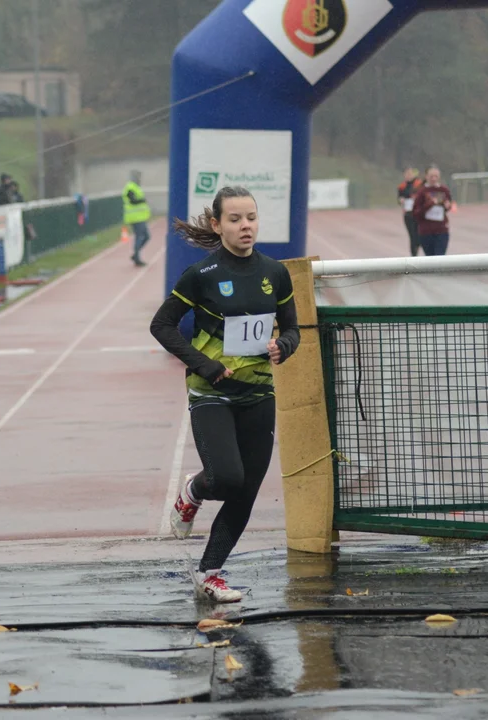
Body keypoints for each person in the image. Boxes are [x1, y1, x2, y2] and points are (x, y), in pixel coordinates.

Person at [149, 186, 301, 604]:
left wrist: (282, 346)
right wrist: (206, 364)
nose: (245, 226)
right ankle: (193, 493)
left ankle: (210, 573)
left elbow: (292, 329)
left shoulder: (275, 273)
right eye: (235, 219)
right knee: (226, 478)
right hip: (211, 392)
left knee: (246, 490)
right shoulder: (200, 276)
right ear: (217, 225)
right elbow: (161, 326)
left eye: (250, 217)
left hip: (258, 393)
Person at [412, 165, 453, 256]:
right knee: (430, 258)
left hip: (442, 230)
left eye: (436, 176)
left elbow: (448, 205)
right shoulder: (421, 192)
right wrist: (429, 205)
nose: (434, 179)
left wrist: (447, 206)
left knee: (440, 256)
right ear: (426, 176)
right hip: (426, 231)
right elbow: (415, 213)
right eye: (431, 176)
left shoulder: (444, 190)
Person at [124, 170, 150, 267]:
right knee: (139, 237)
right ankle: (137, 258)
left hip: (140, 217)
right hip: (135, 218)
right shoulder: (130, 187)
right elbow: (132, 200)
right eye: (138, 177)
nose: (139, 179)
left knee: (147, 236)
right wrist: (142, 200)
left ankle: (135, 255)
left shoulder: (136, 187)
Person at [396, 167, 423, 256]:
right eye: (407, 174)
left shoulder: (419, 184)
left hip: (418, 214)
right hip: (408, 214)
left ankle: (418, 247)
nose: (408, 176)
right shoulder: (402, 186)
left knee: (419, 234)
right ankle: (413, 255)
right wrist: (401, 200)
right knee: (412, 235)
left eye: (410, 174)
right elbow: (399, 198)